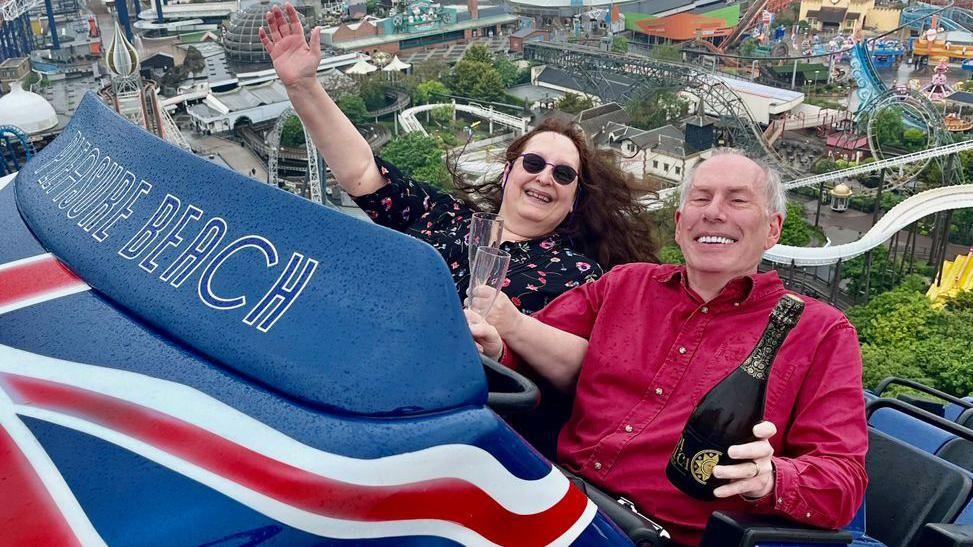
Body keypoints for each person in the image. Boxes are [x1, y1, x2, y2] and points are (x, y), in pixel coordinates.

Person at [468, 150, 868, 544]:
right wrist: (498, 345)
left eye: (737, 200)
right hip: (554, 499)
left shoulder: (820, 333)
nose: (713, 212)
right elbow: (527, 354)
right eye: (700, 198)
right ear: (679, 225)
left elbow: (843, 482)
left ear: (773, 229)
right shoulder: (624, 285)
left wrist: (769, 478)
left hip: (660, 535)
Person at [259, 3, 658, 314]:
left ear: (575, 200)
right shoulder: (447, 218)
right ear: (508, 173)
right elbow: (364, 172)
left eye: (564, 174)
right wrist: (304, 86)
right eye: (533, 163)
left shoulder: (578, 276)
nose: (545, 177)